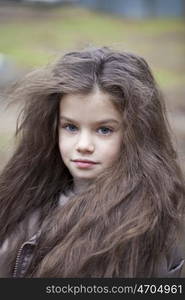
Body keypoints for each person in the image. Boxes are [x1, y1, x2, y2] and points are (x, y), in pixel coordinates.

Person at [0, 47, 184, 278]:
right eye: (71, 127)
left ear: (137, 135)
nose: (83, 145)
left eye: (104, 130)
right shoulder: (24, 197)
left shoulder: (148, 226)